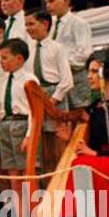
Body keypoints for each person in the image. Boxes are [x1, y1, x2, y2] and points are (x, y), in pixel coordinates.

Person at [0, 38, 38, 217]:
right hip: (5, 125)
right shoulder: (3, 81)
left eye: (5, 58)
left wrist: (29, 135)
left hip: (21, 125)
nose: (1, 62)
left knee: (26, 177)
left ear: (19, 58)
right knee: (13, 179)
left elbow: (34, 112)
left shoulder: (29, 79)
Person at [22, 10, 74, 171]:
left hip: (54, 96)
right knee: (42, 144)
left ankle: (63, 182)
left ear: (44, 24)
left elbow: (67, 81)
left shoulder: (57, 48)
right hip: (36, 96)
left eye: (31, 24)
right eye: (26, 25)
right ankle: (47, 184)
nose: (28, 28)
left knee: (58, 142)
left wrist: (51, 102)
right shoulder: (28, 50)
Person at [44, 0, 93, 111]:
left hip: (75, 76)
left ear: (65, 0)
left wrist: (62, 64)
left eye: (52, 1)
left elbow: (84, 54)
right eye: (46, 3)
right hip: (58, 80)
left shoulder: (78, 23)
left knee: (79, 114)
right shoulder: (51, 24)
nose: (48, 6)